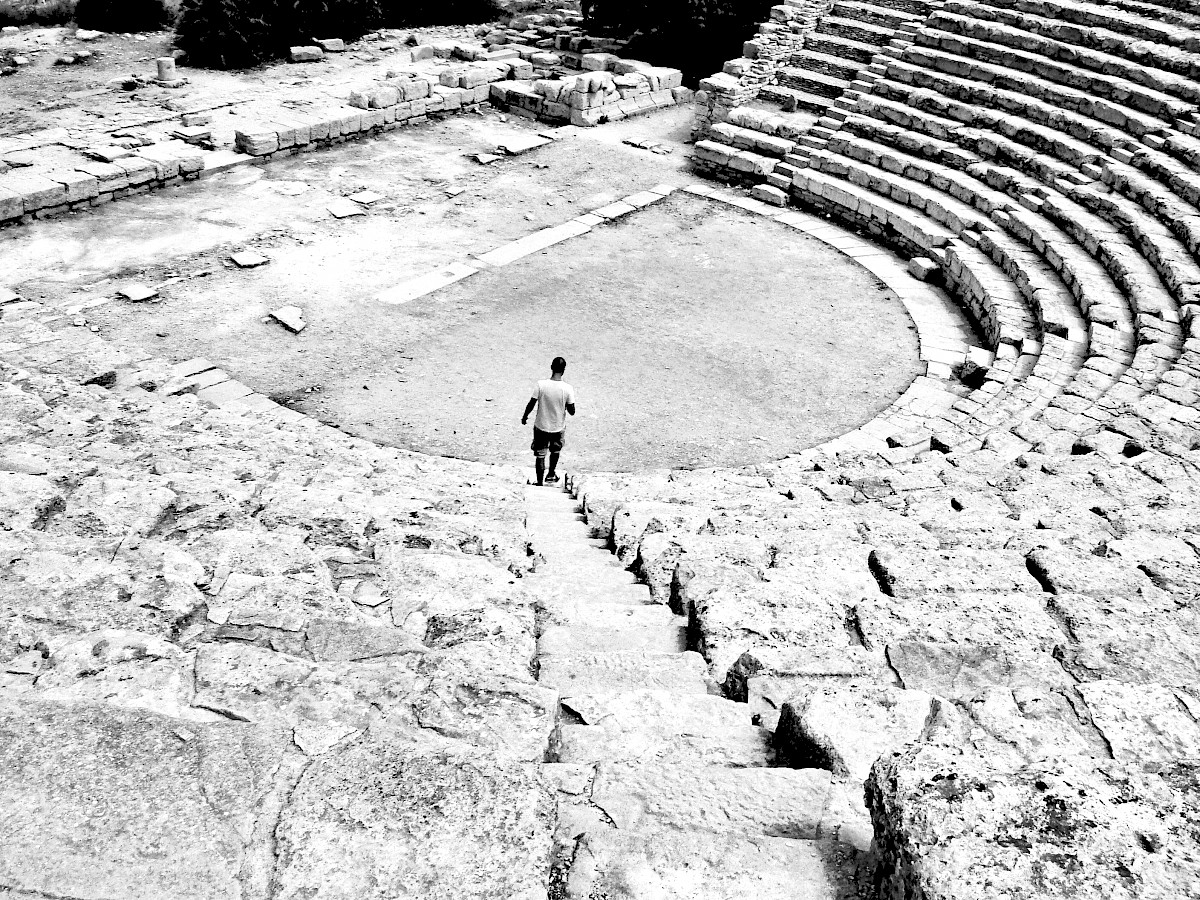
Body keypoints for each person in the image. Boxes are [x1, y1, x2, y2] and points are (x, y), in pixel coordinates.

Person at [521, 356, 575, 486]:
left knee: (540, 454)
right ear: (564, 370)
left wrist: (525, 416)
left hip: (541, 425)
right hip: (557, 426)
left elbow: (531, 403)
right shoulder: (568, 388)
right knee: (555, 451)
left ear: (551, 367)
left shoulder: (541, 385)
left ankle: (539, 482)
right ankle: (551, 474)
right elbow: (572, 411)